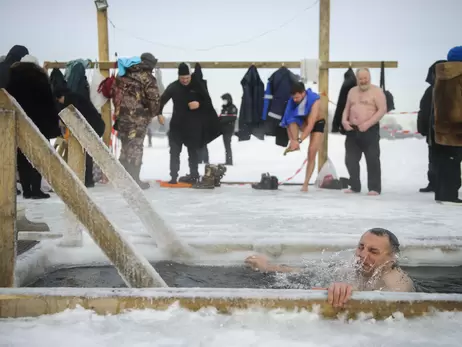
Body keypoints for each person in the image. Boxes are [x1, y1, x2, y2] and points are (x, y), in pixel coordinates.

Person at [245, 228, 415, 308]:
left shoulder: (397, 285)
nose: (362, 255)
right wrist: (269, 266)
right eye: (361, 247)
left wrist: (348, 293)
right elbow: (308, 273)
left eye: (373, 251)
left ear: (391, 258)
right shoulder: (356, 266)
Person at [6, 55, 61, 199]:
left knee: (22, 156)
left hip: (19, 122)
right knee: (39, 156)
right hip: (39, 123)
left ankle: (26, 190)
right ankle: (36, 189)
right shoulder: (40, 78)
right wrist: (53, 127)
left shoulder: (12, 79)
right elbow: (49, 103)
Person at [158, 62, 221, 185]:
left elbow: (208, 103)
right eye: (182, 78)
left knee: (193, 152)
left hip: (193, 127)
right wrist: (159, 113)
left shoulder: (197, 86)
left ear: (191, 76)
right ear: (178, 77)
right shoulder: (174, 87)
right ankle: (173, 177)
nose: (185, 80)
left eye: (187, 78)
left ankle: (194, 175)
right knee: (174, 152)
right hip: (176, 125)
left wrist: (199, 104)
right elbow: (161, 101)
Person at [112, 52, 161, 190]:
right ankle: (134, 181)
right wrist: (150, 113)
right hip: (138, 120)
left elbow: (114, 94)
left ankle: (122, 179)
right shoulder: (147, 78)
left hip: (122, 119)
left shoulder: (122, 75)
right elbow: (154, 100)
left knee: (125, 148)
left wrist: (119, 112)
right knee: (135, 148)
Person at [342, 68, 387, 196]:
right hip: (352, 129)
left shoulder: (377, 91)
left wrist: (367, 124)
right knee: (350, 159)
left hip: (370, 130)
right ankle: (354, 186)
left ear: (369, 77)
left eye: (365, 78)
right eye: (360, 79)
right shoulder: (352, 91)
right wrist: (344, 121)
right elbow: (347, 108)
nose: (363, 81)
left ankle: (374, 188)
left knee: (372, 159)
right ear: (357, 79)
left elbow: (382, 110)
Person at [54, 87, 106, 187]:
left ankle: (87, 180)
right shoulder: (74, 97)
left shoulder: (71, 101)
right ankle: (88, 179)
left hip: (93, 127)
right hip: (96, 126)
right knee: (88, 153)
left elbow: (74, 117)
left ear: (60, 98)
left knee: (87, 153)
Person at [281, 82, 324, 192]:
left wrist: (299, 140)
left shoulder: (314, 100)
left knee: (312, 151)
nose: (295, 100)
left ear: (303, 93)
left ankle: (305, 184)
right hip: (302, 121)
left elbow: (311, 124)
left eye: (297, 97)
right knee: (292, 121)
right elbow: (287, 121)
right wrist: (292, 140)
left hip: (316, 122)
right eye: (293, 97)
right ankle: (294, 145)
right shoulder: (291, 101)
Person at [432, 47, 462, 205]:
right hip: (457, 126)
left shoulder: (440, 74)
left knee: (445, 161)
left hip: (442, 126)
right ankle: (449, 194)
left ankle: (442, 193)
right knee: (453, 162)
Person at [417, 60, 447, 193]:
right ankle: (434, 183)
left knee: (447, 159)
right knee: (433, 159)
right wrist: (422, 127)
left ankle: (446, 184)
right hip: (433, 132)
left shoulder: (449, 89)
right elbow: (423, 110)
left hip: (448, 132)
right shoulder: (430, 91)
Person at [219, 93, 238, 165]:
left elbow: (232, 117)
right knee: (226, 145)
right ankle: (227, 160)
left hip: (229, 130)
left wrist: (222, 120)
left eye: (224, 100)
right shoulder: (224, 108)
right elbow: (221, 117)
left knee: (227, 146)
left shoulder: (233, 108)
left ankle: (229, 161)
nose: (223, 101)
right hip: (223, 129)